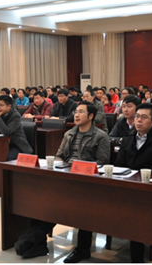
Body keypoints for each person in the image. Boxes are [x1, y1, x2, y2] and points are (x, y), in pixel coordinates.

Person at [14, 101, 110, 261]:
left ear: (91, 116)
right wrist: (58, 167)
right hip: (65, 177)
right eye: (75, 112)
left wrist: (80, 168)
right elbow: (59, 155)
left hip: (87, 182)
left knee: (82, 207)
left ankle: (82, 248)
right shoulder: (69, 134)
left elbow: (103, 162)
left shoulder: (101, 136)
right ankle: (38, 244)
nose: (76, 115)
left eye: (81, 112)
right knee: (41, 200)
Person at [114, 103, 152, 263]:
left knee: (136, 212)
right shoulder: (127, 139)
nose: (139, 120)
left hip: (149, 191)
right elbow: (119, 166)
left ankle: (137, 259)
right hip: (126, 187)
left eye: (144, 117)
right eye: (137, 117)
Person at [0, 95, 33, 160]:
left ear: (9, 106)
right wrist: (0, 132)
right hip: (1, 143)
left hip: (16, 144)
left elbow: (7, 131)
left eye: (1, 105)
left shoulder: (15, 116)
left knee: (7, 157)